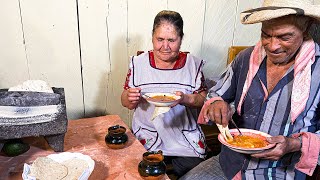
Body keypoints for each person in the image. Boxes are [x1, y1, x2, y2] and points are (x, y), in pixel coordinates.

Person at [180, 0, 320, 179]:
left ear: (306, 29)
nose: (272, 46)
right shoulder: (246, 58)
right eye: (265, 35)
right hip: (231, 162)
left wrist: (294, 144)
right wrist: (216, 103)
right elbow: (216, 94)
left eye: (284, 37)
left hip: (281, 171)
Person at [121, 10, 207, 177]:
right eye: (160, 39)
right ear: (152, 37)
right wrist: (129, 98)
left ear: (181, 39)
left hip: (184, 139)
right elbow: (125, 101)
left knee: (195, 175)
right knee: (141, 172)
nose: (165, 47)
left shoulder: (193, 65)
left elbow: (203, 100)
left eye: (171, 40)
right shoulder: (138, 64)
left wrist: (185, 98)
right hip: (148, 135)